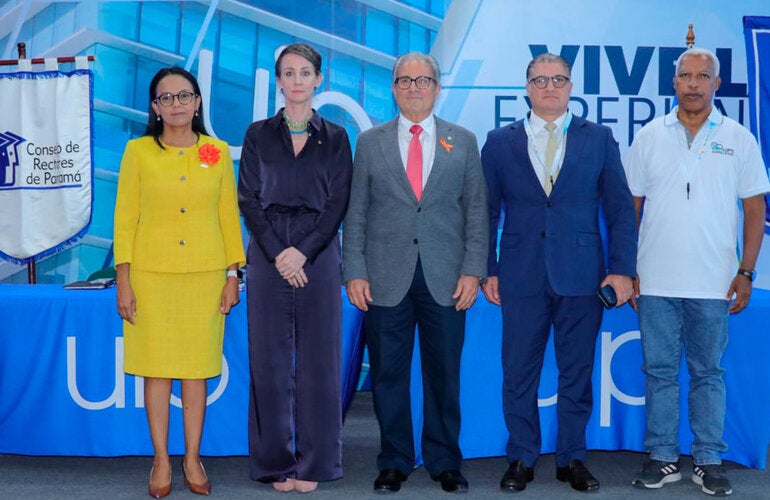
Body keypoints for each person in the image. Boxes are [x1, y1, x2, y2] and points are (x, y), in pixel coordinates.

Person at [480, 53, 637, 493]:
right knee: (518, 372)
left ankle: (572, 458)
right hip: (520, 274)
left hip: (583, 276)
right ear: (527, 87)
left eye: (558, 79)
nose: (549, 86)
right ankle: (521, 458)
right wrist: (487, 269)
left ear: (571, 87)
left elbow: (620, 210)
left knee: (577, 372)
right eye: (540, 80)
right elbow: (484, 212)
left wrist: (622, 270)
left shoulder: (599, 138)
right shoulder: (499, 141)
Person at [625, 47, 769, 497]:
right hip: (655, 279)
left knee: (708, 373)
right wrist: (628, 269)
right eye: (685, 75)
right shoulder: (649, 135)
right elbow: (629, 209)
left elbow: (755, 210)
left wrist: (747, 271)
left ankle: (708, 460)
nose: (693, 84)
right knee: (659, 372)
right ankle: (662, 456)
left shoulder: (739, 138)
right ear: (674, 82)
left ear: (716, 84)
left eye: (702, 76)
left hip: (714, 281)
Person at [343, 51, 488, 494]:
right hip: (384, 277)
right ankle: (394, 460)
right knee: (388, 375)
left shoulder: (464, 141)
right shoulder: (370, 143)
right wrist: (354, 270)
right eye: (404, 81)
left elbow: (477, 212)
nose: (413, 88)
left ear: (437, 88)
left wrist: (473, 270)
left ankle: (444, 461)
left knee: (444, 374)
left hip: (447, 278)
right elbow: (356, 213)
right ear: (393, 88)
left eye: (422, 80)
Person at [114, 66, 245, 498]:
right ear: (155, 106)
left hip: (205, 277)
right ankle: (159, 459)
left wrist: (232, 273)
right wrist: (124, 280)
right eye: (166, 97)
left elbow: (228, 216)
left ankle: (191, 457)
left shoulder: (216, 151)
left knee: (195, 371)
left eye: (184, 96)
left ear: (197, 102)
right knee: (156, 371)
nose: (176, 104)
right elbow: (125, 218)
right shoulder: (138, 151)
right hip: (151, 276)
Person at [238, 43, 353, 493]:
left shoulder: (337, 137)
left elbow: (339, 202)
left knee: (320, 361)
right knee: (268, 360)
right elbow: (248, 199)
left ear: (318, 79)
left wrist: (302, 252)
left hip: (318, 253)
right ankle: (275, 463)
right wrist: (278, 253)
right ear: (279, 81)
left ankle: (316, 464)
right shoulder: (257, 134)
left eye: (306, 72)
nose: (298, 80)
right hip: (268, 253)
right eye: (289, 73)